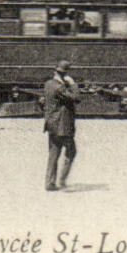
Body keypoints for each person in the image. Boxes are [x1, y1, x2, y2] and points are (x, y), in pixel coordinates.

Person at [42, 60, 82, 192]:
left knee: (53, 153)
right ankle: (62, 181)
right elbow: (76, 98)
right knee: (71, 151)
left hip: (52, 124)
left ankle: (49, 183)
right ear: (65, 73)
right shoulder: (60, 87)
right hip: (63, 126)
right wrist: (73, 84)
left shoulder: (48, 84)